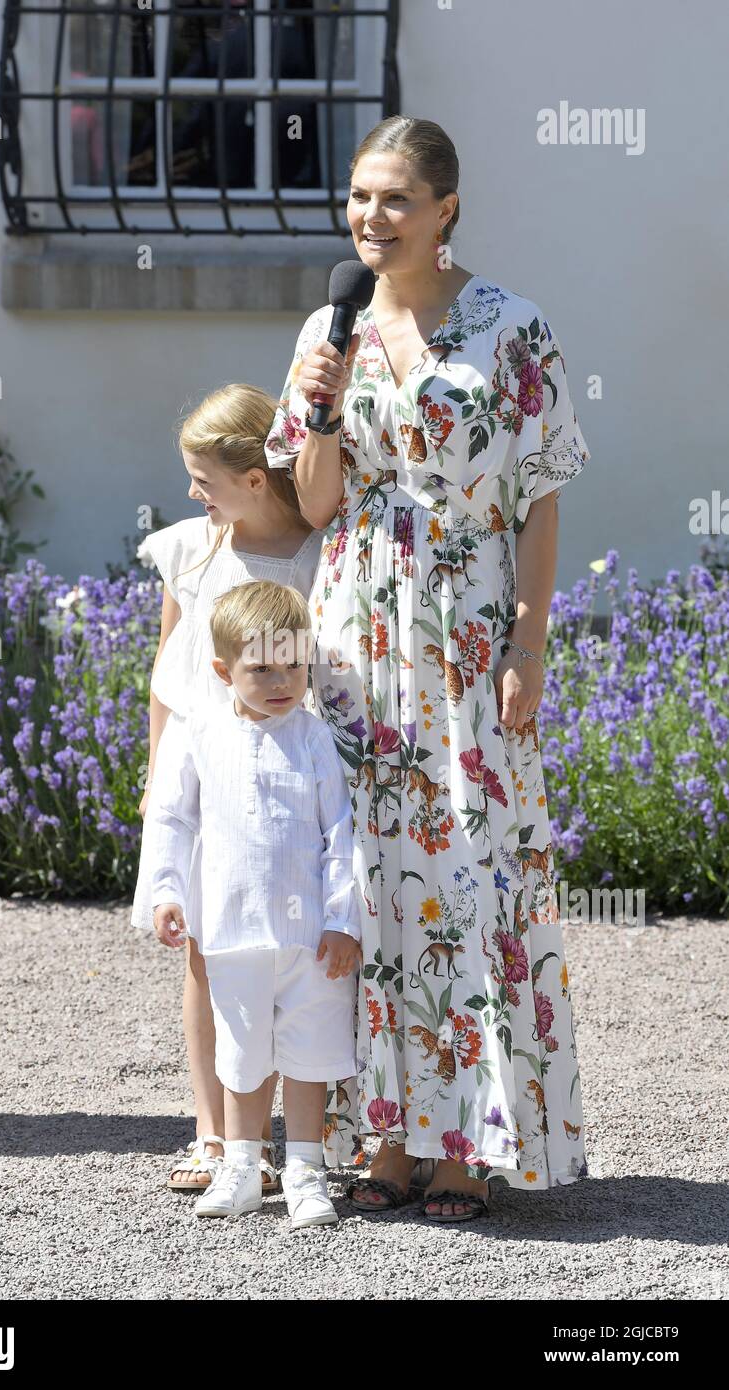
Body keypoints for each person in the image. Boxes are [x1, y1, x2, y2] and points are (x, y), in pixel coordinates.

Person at [264, 115, 591, 1222]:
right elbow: (311, 503)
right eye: (358, 197)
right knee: (364, 876)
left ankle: (470, 1142)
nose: (370, 217)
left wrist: (527, 647)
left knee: (465, 877)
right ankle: (386, 1136)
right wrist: (315, 396)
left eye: (393, 198)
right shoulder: (329, 322)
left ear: (445, 208)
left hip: (463, 623)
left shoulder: (511, 325)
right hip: (354, 628)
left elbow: (540, 493)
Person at [131, 384, 324, 1195]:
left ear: (254, 476)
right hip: (206, 776)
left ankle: (295, 1141)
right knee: (208, 955)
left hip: (291, 782)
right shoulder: (191, 550)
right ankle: (217, 1137)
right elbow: (170, 674)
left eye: (202, 477)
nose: (190, 493)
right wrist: (154, 778)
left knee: (298, 953)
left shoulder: (322, 554)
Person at [145, 581, 362, 1228]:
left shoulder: (315, 739)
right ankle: (241, 1165)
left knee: (309, 1050)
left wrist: (342, 920)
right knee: (240, 1051)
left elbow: (340, 834)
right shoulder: (199, 733)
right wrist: (165, 890)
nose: (279, 681)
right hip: (231, 928)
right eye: (260, 668)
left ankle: (305, 1170)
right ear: (223, 670)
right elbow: (172, 819)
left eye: (293, 666)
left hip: (310, 938)